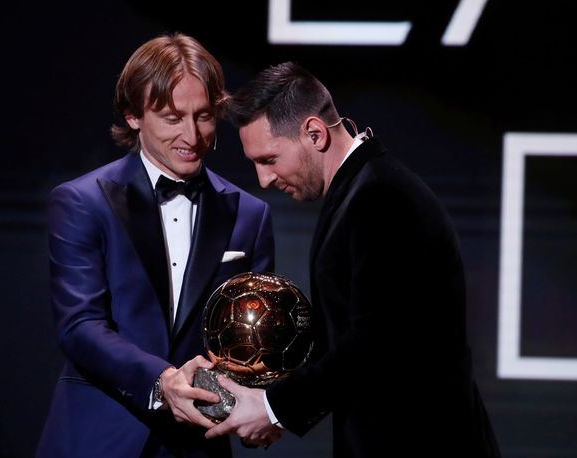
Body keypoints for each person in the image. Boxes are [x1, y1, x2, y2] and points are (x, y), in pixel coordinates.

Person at [204, 62, 501, 457]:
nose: (264, 180)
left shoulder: (381, 197)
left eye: (269, 159)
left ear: (314, 133)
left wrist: (274, 408)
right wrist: (274, 404)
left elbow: (377, 341)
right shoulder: (362, 190)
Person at [36, 33, 275, 458]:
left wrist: (263, 404)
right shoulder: (81, 201)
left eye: (203, 116)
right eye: (171, 117)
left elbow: (252, 341)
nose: (192, 135)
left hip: (196, 445)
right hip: (98, 438)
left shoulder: (250, 215)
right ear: (132, 116)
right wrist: (162, 380)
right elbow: (79, 326)